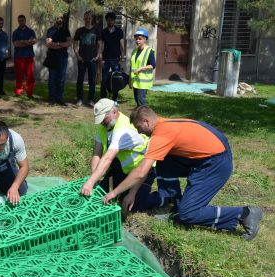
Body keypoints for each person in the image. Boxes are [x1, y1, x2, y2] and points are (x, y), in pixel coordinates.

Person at [103, 106, 264, 240]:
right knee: (163, 159)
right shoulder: (164, 124)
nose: (140, 133)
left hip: (215, 163)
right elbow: (144, 168)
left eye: (139, 128)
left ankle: (243, 214)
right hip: (206, 156)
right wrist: (133, 193)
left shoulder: (161, 135)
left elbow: (140, 172)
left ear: (147, 121)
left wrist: (114, 193)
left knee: (188, 214)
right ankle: (174, 202)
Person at [80, 99, 167, 211]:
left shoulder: (123, 130)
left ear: (114, 112)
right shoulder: (104, 127)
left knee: (133, 205)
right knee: (100, 195)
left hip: (143, 171)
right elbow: (97, 153)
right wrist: (94, 178)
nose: (102, 123)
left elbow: (108, 158)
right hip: (121, 169)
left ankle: (164, 198)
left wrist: (91, 181)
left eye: (104, 119)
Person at [73, 10, 102, 107]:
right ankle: (80, 99)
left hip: (92, 60)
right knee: (80, 80)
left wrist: (97, 55)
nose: (87, 20)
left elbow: (99, 44)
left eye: (89, 18)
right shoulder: (79, 31)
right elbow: (75, 44)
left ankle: (91, 100)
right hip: (82, 59)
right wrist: (77, 55)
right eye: (85, 18)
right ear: (84, 19)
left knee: (92, 81)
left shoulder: (96, 30)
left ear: (91, 19)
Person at [46, 14, 71, 106]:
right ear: (55, 18)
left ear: (63, 19)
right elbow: (48, 44)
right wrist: (61, 45)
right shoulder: (50, 30)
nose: (59, 19)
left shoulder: (65, 30)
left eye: (61, 18)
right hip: (52, 57)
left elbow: (69, 43)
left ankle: (60, 98)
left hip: (63, 57)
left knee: (61, 79)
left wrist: (57, 44)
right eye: (58, 17)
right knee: (52, 78)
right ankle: (52, 99)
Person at [100, 12, 124, 101]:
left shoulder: (119, 31)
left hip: (116, 60)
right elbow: (101, 46)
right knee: (104, 80)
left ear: (114, 21)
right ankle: (103, 98)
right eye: (108, 20)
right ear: (106, 21)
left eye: (112, 20)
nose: (110, 22)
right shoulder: (103, 32)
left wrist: (122, 58)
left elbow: (121, 45)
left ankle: (115, 98)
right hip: (105, 60)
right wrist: (101, 58)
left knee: (116, 80)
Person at [129, 27, 155, 106]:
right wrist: (130, 80)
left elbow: (153, 65)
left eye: (140, 39)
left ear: (145, 39)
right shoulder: (134, 51)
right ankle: (140, 116)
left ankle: (145, 116)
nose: (137, 41)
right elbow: (132, 67)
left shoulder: (149, 51)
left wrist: (141, 68)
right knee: (137, 100)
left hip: (143, 82)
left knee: (141, 101)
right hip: (135, 81)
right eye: (136, 39)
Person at [12, 15, 37, 97]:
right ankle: (18, 91)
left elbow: (33, 41)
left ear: (25, 20)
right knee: (19, 75)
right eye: (20, 20)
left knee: (30, 75)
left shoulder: (31, 31)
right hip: (19, 57)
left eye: (22, 20)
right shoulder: (15, 32)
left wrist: (22, 41)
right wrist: (27, 42)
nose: (21, 22)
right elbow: (16, 44)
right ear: (18, 21)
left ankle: (29, 92)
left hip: (29, 56)